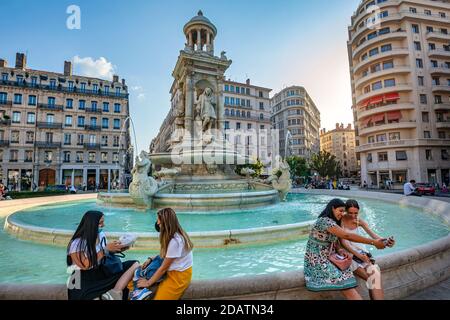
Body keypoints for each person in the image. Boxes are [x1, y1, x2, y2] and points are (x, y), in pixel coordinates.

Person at [304, 199, 387, 300]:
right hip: (318, 261)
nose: (342, 213)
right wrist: (373, 242)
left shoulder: (335, 222)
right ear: (332, 208)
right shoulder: (324, 221)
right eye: (340, 210)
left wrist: (340, 250)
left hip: (331, 258)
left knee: (355, 282)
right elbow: (346, 236)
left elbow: (334, 243)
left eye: (343, 211)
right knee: (347, 286)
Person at [66, 211, 139, 300]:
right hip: (85, 279)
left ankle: (115, 292)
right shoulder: (77, 243)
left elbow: (102, 254)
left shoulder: (101, 235)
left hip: (102, 271)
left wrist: (116, 249)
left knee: (135, 264)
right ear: (91, 224)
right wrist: (105, 250)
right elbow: (84, 265)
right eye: (100, 223)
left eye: (103, 222)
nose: (103, 225)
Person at [341, 200, 395, 300]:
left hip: (362, 254)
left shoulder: (359, 221)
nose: (353, 216)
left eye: (356, 213)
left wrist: (386, 241)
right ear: (345, 211)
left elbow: (374, 236)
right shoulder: (340, 221)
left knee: (375, 274)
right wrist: (360, 256)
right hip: (350, 255)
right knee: (371, 279)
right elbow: (345, 243)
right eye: (350, 213)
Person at [137, 208, 193, 300]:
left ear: (166, 223)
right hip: (175, 270)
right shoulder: (175, 234)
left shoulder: (175, 241)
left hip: (179, 276)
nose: (157, 223)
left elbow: (163, 269)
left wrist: (148, 283)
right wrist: (151, 258)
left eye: (159, 220)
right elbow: (168, 255)